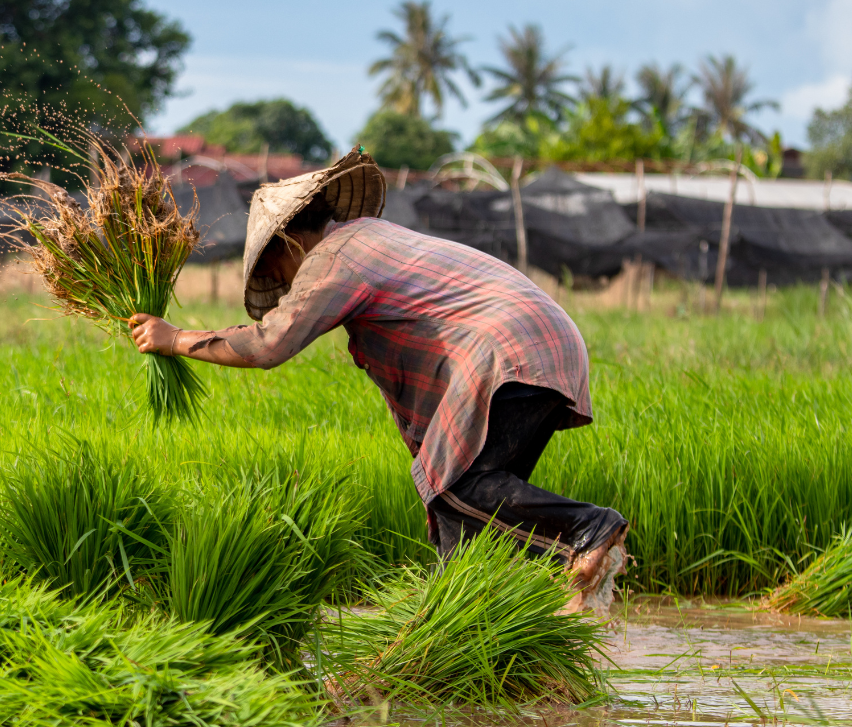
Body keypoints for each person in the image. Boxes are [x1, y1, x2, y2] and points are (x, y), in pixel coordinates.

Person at [130, 149, 629, 612]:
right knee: (465, 524)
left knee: (460, 487)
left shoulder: (336, 258)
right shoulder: (373, 242)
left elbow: (268, 344)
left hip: (509, 349)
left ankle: (588, 528)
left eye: (277, 270)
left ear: (286, 241)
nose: (286, 284)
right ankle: (469, 631)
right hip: (542, 342)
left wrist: (175, 339)